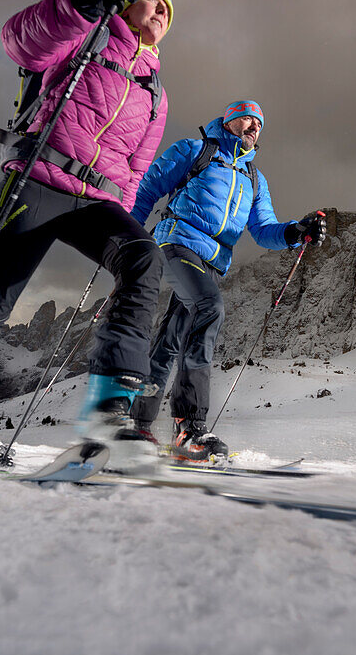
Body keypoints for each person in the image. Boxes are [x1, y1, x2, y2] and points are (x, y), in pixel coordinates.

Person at [0, 0, 173, 471]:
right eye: (154, 2)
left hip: (95, 200)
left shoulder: (156, 92)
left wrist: (121, 221)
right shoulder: (85, 31)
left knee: (144, 257)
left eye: (170, 12)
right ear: (127, 3)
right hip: (36, 179)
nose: (161, 14)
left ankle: (109, 408)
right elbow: (21, 42)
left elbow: (137, 165)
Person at [128, 100, 328, 460]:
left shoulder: (255, 180)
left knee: (172, 338)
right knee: (209, 306)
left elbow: (264, 230)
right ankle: (189, 427)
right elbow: (148, 189)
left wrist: (297, 231)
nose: (254, 127)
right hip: (177, 243)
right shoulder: (195, 150)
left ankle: (138, 426)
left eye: (260, 125)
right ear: (229, 121)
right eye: (248, 119)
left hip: (213, 262)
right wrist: (126, 236)